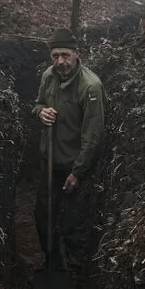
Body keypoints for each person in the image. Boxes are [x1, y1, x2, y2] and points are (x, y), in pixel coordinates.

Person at [31, 27, 106, 276]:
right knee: (43, 215)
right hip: (49, 162)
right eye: (55, 56)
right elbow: (38, 105)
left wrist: (78, 172)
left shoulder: (91, 87)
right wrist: (40, 112)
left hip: (75, 168)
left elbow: (92, 136)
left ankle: (74, 273)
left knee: (72, 223)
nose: (60, 61)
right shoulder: (47, 77)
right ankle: (51, 261)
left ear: (76, 54)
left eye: (65, 55)